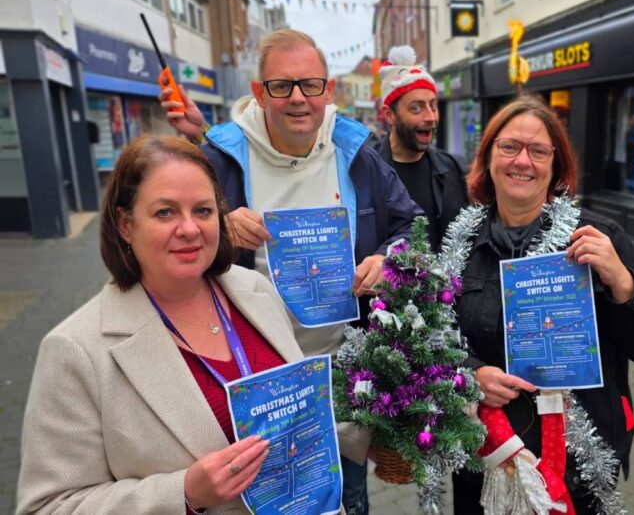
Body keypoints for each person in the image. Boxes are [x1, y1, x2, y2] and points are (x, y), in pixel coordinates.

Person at [16, 136, 364, 514]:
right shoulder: (76, 350)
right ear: (125, 224)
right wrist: (183, 493)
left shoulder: (255, 292)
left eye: (202, 210)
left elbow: (294, 414)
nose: (189, 228)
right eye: (165, 212)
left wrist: (373, 426)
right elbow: (47, 506)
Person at [160, 29, 421, 515]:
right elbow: (172, 243)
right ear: (259, 93)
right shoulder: (220, 160)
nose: (298, 98)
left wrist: (387, 257)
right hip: (248, 382)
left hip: (342, 382)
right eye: (281, 86)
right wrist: (217, 227)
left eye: (310, 85)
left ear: (329, 91)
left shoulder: (356, 154)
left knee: (347, 500)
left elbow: (411, 223)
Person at [452, 95, 634, 513]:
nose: (523, 161)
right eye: (510, 147)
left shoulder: (599, 236)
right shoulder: (460, 244)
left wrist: (622, 281)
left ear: (556, 166)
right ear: (488, 157)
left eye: (538, 151)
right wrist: (470, 375)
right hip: (485, 455)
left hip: (577, 463)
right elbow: (434, 343)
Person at [372, 45, 468, 252]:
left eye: (433, 106)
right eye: (416, 108)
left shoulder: (456, 169)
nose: (430, 117)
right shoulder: (367, 172)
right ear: (389, 115)